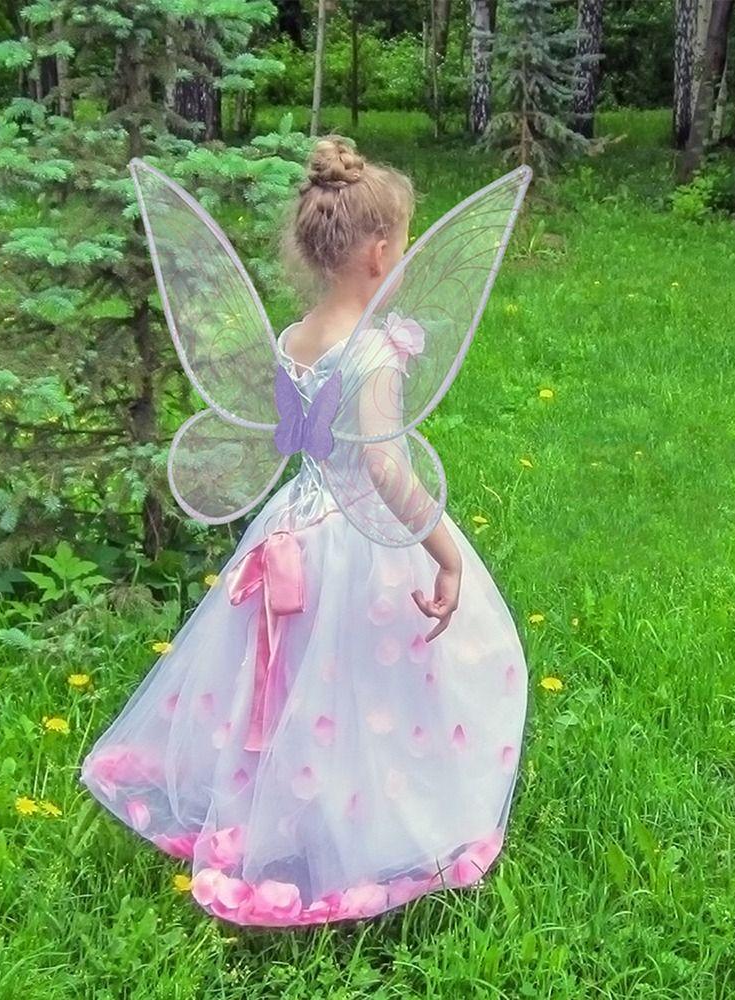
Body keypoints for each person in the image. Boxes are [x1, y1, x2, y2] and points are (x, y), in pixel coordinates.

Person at [79, 136, 529, 928]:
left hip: (290, 529)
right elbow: (383, 466)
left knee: (297, 678)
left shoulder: (294, 338)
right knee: (371, 679)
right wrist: (445, 553)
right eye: (405, 242)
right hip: (360, 543)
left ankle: (293, 801)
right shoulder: (375, 351)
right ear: (379, 253)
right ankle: (364, 822)